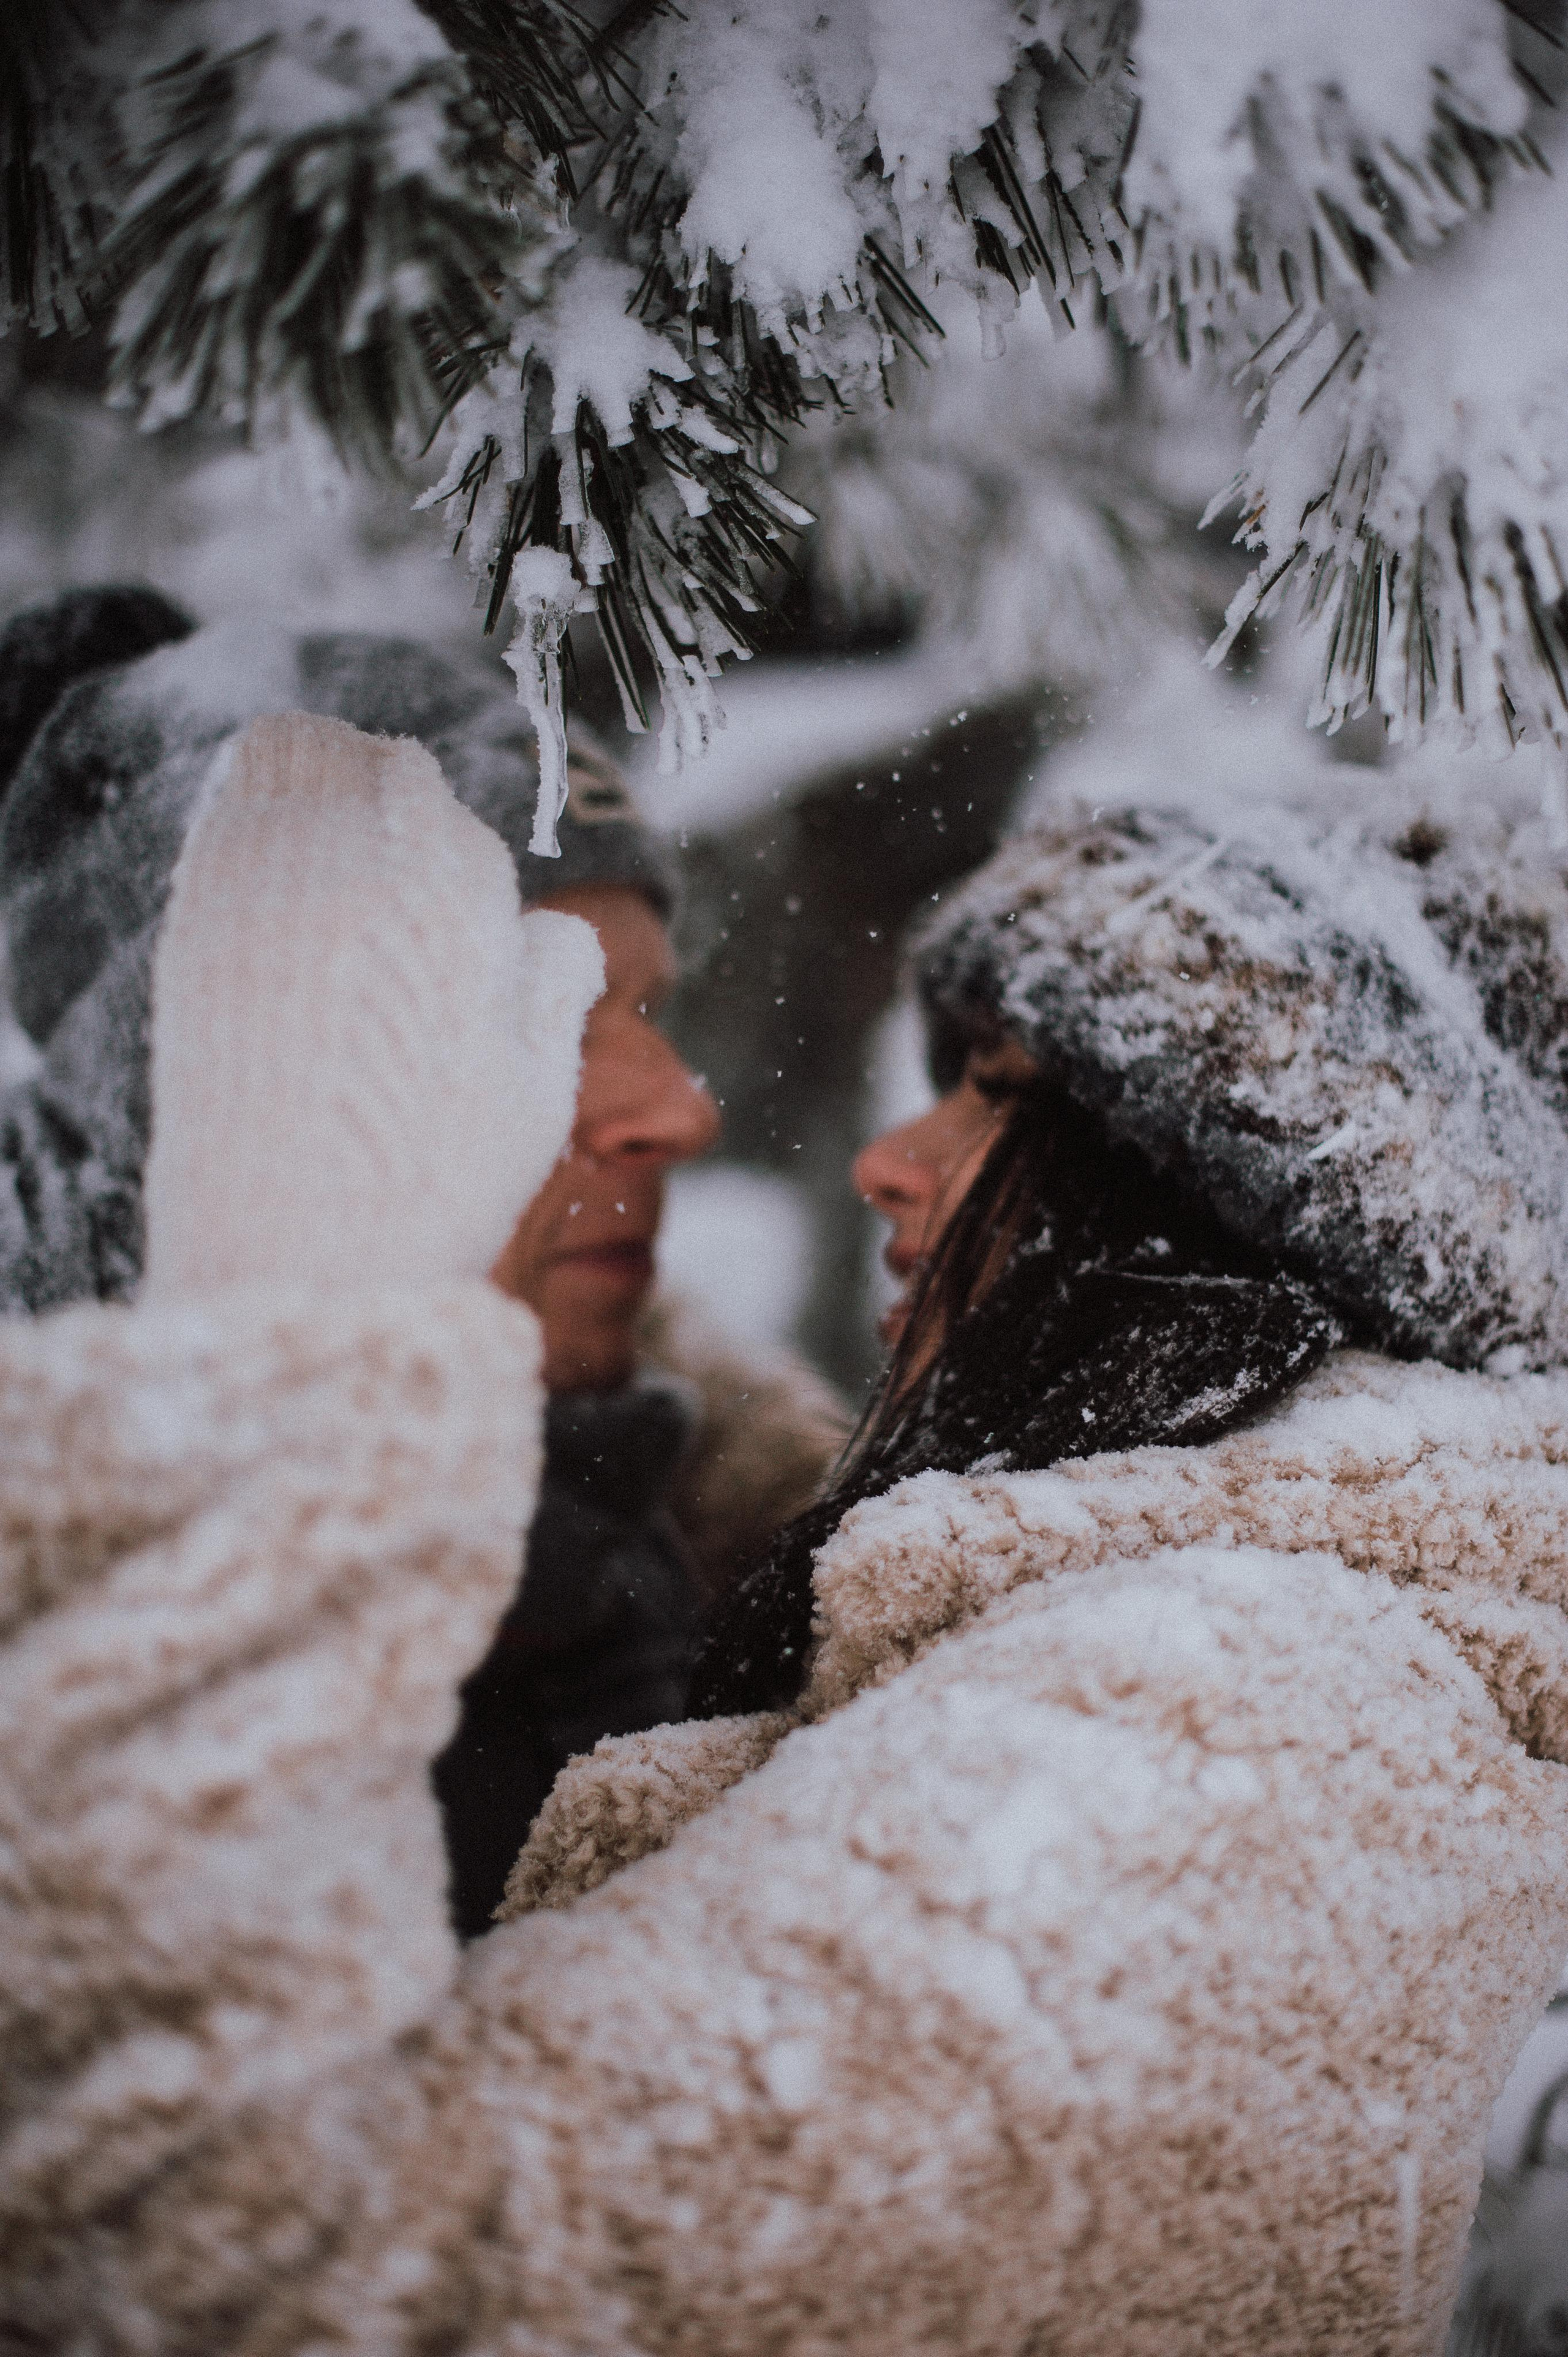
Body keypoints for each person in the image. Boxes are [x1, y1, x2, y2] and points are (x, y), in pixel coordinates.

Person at [4, 727, 1568, 2356]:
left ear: (1233, 1216)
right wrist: (550, 1298)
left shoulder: (1228, 1747)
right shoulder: (1245, 1632)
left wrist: (295, 1329)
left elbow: (221, 2282)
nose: (893, 1159)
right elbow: (835, 1562)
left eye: (1002, 1098)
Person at [0, 585, 846, 1937]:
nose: (676, 1110)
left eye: (646, 1009)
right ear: (216, 1089)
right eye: (536, 1003)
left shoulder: (747, 1580)